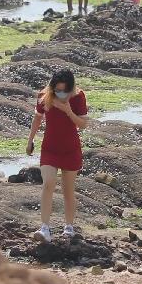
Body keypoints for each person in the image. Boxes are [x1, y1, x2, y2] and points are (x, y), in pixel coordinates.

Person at [25, 69, 89, 242]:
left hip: (71, 149)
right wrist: (30, 141)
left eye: (64, 91)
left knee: (68, 190)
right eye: (58, 90)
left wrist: (68, 111)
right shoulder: (44, 96)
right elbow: (37, 118)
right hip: (50, 149)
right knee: (48, 184)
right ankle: (44, 228)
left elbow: (83, 124)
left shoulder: (78, 97)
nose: (61, 94)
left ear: (71, 88)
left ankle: (69, 227)